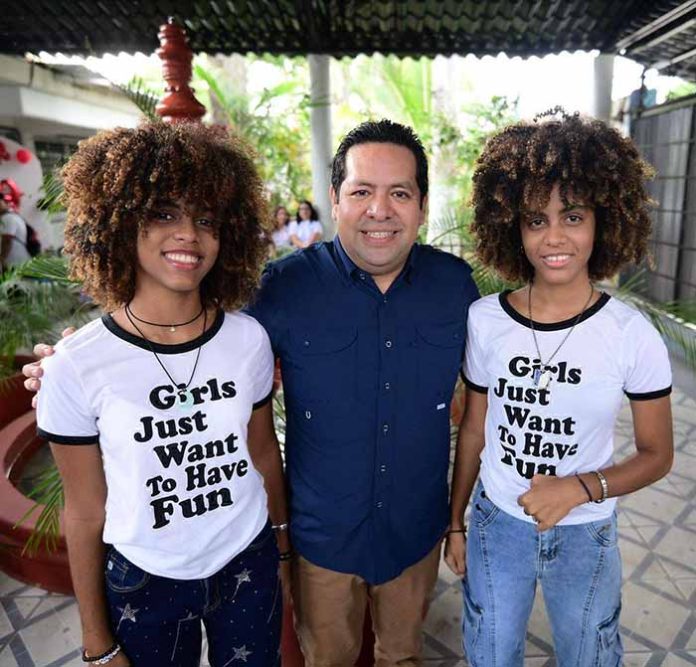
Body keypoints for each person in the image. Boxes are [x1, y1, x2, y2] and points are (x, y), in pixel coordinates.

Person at [26, 119, 480, 666]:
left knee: (404, 656)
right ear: (335, 199)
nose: (380, 210)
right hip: (321, 540)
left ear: (423, 205)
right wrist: (74, 357)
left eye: (400, 193)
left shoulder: (455, 286)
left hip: (414, 531)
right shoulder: (281, 288)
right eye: (362, 191)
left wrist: (457, 518)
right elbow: (181, 325)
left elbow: (492, 380)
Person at [34, 122, 288, 666]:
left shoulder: (248, 339)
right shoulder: (77, 365)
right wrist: (97, 643)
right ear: (120, 221)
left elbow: (263, 451)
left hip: (247, 559)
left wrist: (282, 546)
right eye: (165, 214)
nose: (189, 234)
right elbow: (83, 512)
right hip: (145, 579)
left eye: (206, 219)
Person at [445, 112, 673, 666]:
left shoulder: (630, 335)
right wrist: (456, 523)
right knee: (490, 653)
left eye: (572, 216)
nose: (554, 237)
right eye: (535, 220)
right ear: (512, 227)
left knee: (588, 656)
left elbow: (657, 454)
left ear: (602, 222)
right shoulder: (485, 320)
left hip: (585, 532)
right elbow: (474, 429)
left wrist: (579, 488)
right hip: (498, 523)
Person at [0, 194, 32, 269]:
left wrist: (1, 259)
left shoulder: (7, 218)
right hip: (20, 261)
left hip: (14, 263)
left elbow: (7, 240)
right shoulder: (14, 216)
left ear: (6, 203)